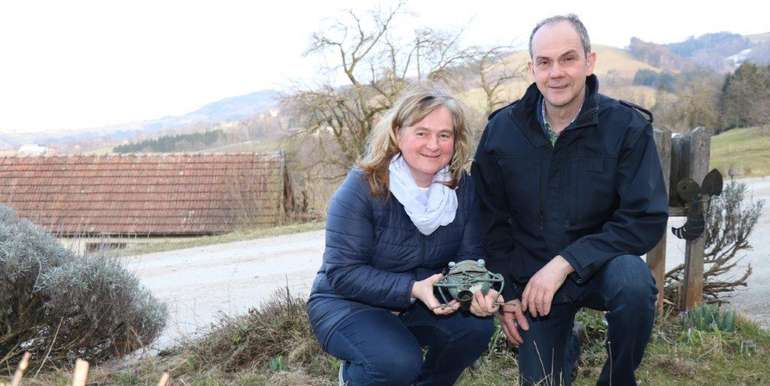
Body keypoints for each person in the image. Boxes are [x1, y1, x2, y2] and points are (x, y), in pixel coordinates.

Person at [472, 14, 668, 386]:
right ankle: (568, 343)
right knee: (543, 380)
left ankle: (617, 378)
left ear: (589, 62)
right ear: (532, 68)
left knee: (635, 282)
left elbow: (644, 217)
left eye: (568, 59)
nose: (556, 72)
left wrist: (566, 262)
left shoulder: (626, 127)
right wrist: (508, 294)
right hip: (532, 282)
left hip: (601, 269)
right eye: (544, 62)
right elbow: (490, 220)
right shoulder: (502, 131)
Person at [307, 88, 497, 386]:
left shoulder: (463, 188)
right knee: (397, 362)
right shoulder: (362, 187)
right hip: (347, 302)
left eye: (444, 135)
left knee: (475, 329)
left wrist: (476, 291)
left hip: (422, 297)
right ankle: (354, 378)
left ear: (456, 140)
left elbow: (468, 258)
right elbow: (342, 272)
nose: (433, 145)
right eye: (421, 133)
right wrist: (412, 289)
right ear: (397, 133)